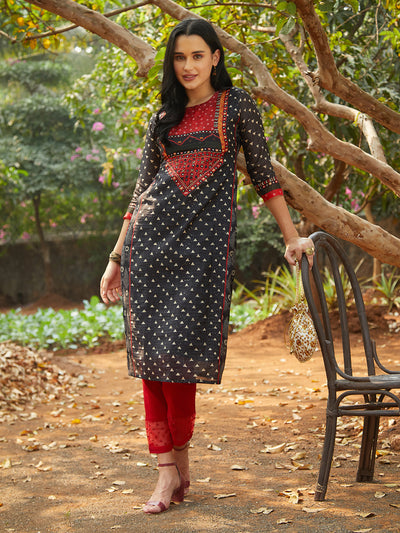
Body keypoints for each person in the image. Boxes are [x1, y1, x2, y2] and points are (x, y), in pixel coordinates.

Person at [100, 18, 315, 514]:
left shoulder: (237, 106)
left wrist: (291, 236)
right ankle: (167, 470)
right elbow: (140, 194)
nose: (189, 66)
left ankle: (179, 456)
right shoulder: (163, 118)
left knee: (179, 362)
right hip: (149, 251)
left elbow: (264, 176)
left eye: (198, 55)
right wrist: (116, 258)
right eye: (180, 57)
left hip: (202, 255)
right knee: (152, 364)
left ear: (215, 58)